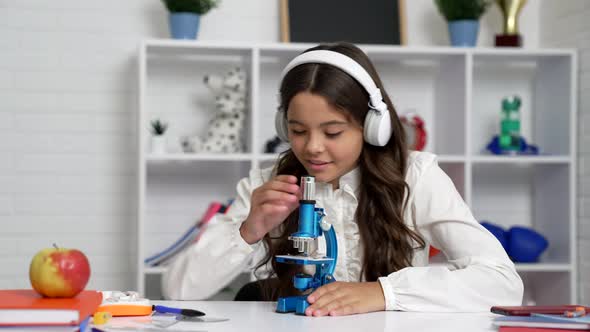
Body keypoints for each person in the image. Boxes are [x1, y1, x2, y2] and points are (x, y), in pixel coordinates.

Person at [162, 42, 523, 316]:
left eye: (332, 132)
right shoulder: (267, 185)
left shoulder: (416, 177)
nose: (313, 148)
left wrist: (383, 293)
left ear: (372, 127)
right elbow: (176, 289)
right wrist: (248, 231)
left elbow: (502, 284)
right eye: (298, 130)